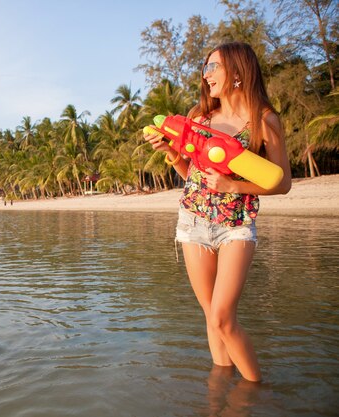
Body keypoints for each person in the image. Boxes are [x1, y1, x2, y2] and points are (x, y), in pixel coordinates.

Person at [144, 42, 291, 382]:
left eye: (214, 67)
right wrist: (172, 153)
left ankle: (256, 393)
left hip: (236, 225)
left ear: (238, 72)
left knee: (224, 316)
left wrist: (233, 186)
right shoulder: (199, 118)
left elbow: (282, 184)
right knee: (211, 316)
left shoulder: (264, 120)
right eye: (205, 67)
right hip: (193, 220)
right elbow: (192, 176)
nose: (205, 74)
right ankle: (220, 387)